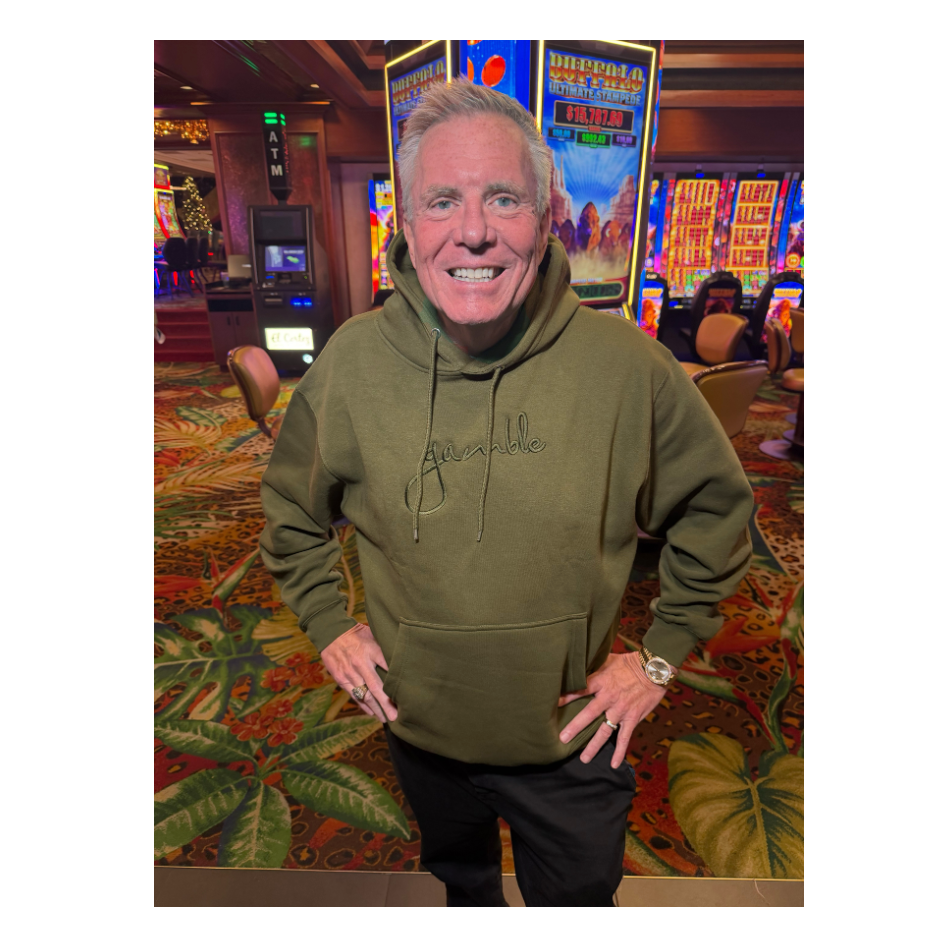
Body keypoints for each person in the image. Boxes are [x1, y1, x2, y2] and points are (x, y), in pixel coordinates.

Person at [260, 80, 753, 906]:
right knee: (464, 893)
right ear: (407, 223)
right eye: (442, 201)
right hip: (419, 730)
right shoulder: (351, 363)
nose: (473, 231)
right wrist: (327, 623)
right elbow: (290, 513)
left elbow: (717, 513)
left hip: (572, 740)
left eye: (502, 198)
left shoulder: (629, 368)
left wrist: (660, 657)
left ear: (547, 216)